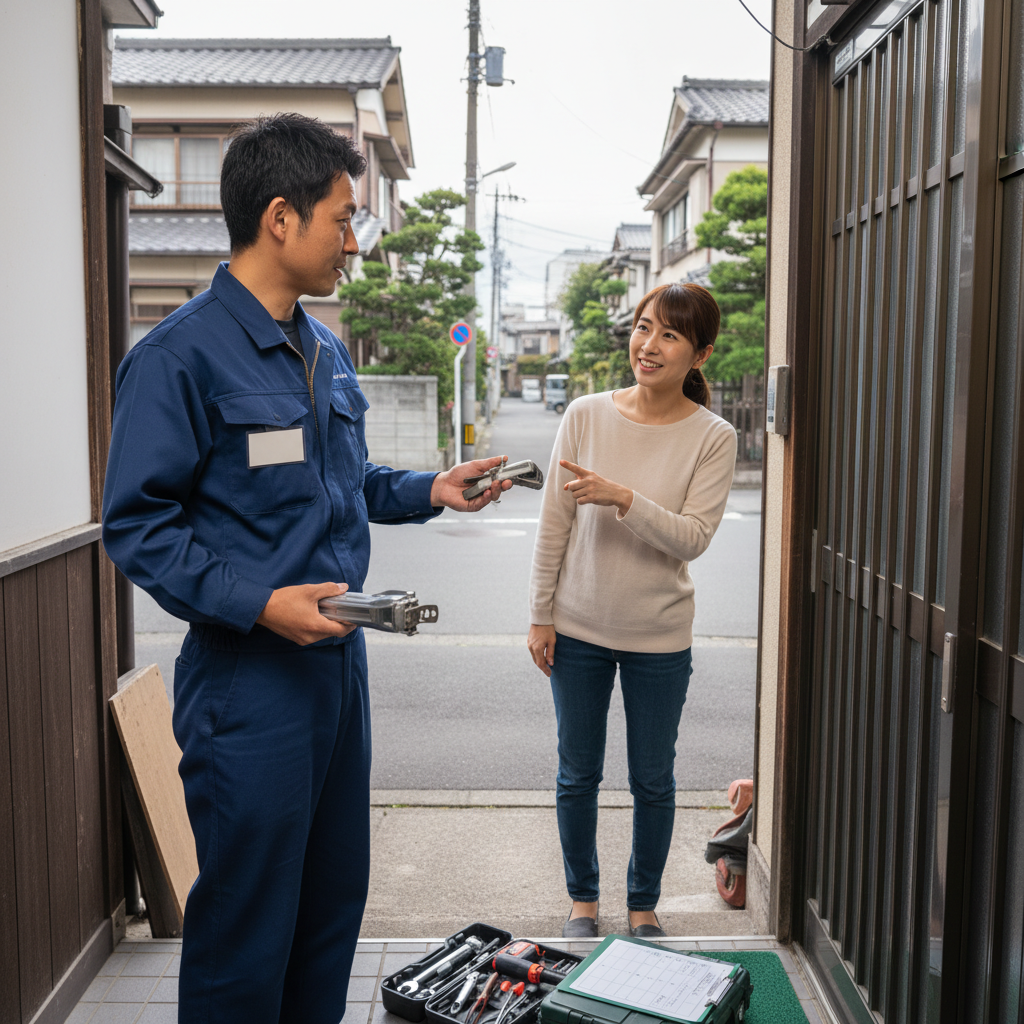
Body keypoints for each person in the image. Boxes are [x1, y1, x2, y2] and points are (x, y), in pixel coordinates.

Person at [102, 113, 509, 1024]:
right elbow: (138, 526)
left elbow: (344, 482)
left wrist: (431, 488)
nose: (354, 242)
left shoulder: (321, 350)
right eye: (344, 218)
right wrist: (261, 604)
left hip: (338, 672)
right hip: (248, 681)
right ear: (280, 217)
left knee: (330, 909)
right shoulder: (178, 359)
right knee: (247, 929)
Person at [527, 282, 737, 939]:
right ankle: (583, 905)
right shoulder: (585, 415)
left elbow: (692, 538)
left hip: (659, 636)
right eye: (644, 326)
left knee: (652, 778)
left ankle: (642, 908)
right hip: (578, 629)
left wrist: (623, 497)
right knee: (577, 774)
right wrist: (540, 614)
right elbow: (553, 523)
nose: (648, 345)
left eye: (670, 335)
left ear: (700, 353)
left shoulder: (714, 436)